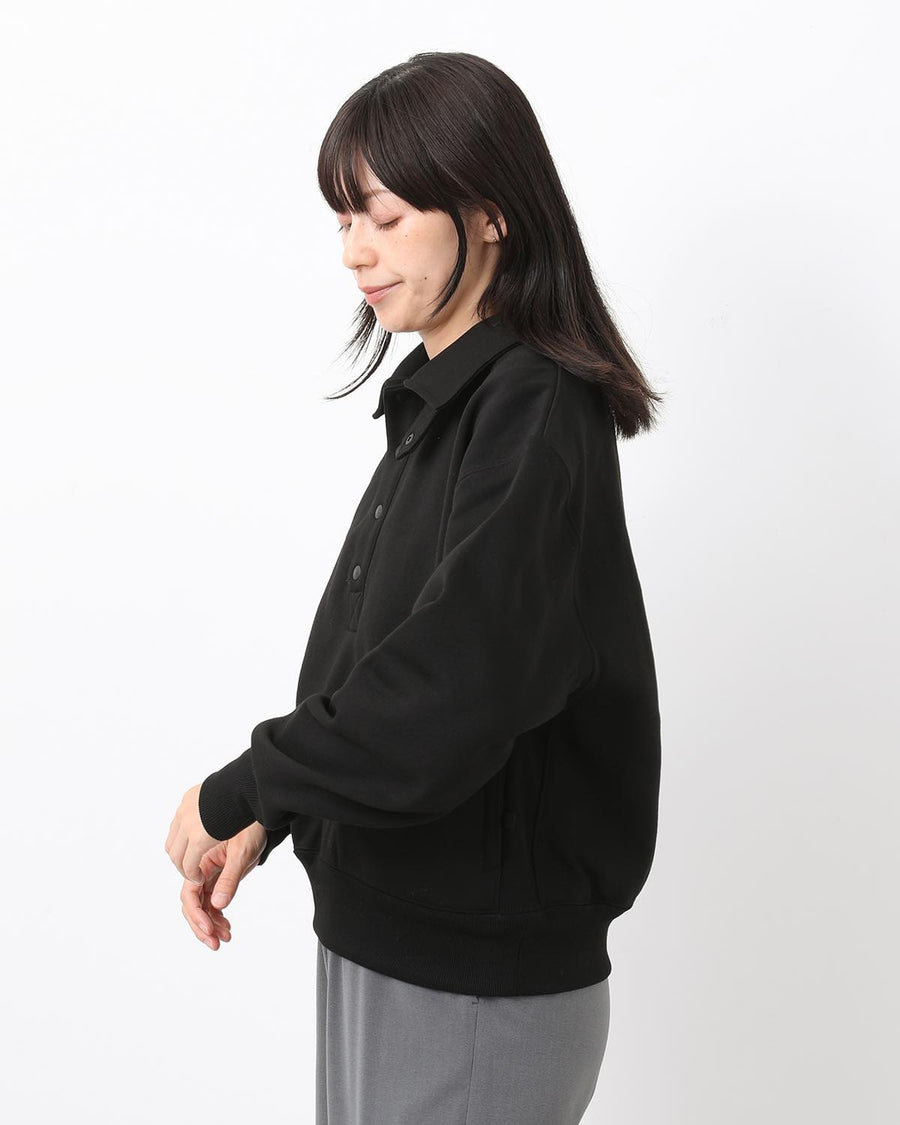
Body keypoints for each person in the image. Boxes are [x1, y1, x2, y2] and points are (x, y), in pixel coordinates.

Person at [165, 50, 664, 1125]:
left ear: (488, 213)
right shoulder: (447, 403)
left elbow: (454, 685)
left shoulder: (534, 408)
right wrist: (281, 809)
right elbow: (381, 660)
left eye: (385, 217)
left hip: (475, 981)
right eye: (346, 219)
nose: (355, 250)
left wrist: (245, 783)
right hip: (392, 944)